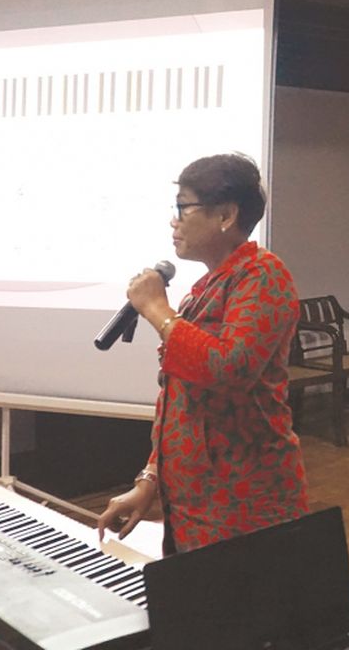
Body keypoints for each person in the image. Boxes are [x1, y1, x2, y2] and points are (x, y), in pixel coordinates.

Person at [97, 153, 310, 554]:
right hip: (195, 504)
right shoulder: (213, 284)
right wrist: (151, 479)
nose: (173, 221)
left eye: (183, 208)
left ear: (226, 215)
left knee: (241, 616)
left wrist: (158, 310)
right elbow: (185, 402)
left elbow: (230, 368)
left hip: (244, 507)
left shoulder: (263, 275)